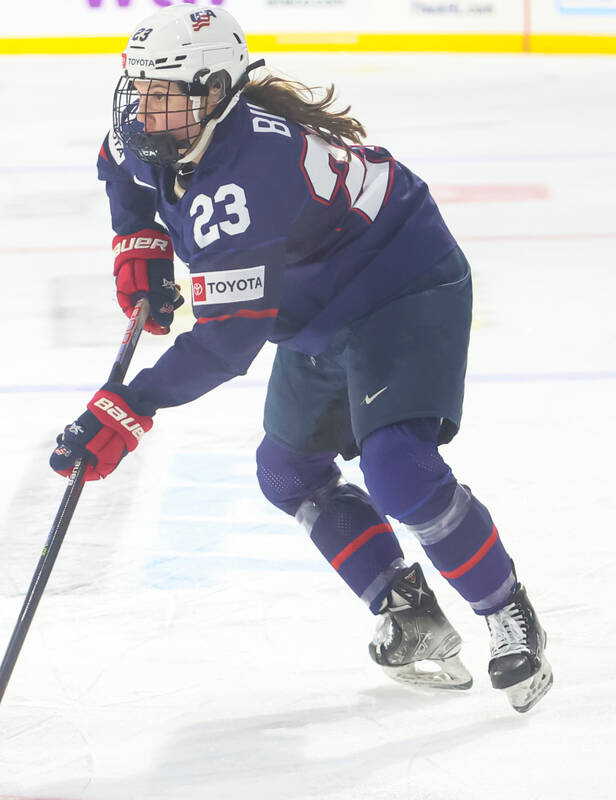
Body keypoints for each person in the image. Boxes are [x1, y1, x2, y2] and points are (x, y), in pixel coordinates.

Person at [48, 5, 552, 713]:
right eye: (140, 89)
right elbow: (117, 160)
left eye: (165, 93)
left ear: (216, 92)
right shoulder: (167, 128)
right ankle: (409, 612)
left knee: (399, 472)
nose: (144, 110)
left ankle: (507, 611)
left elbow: (226, 342)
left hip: (399, 284)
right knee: (287, 472)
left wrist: (133, 406)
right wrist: (137, 241)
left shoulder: (248, 179)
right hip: (315, 305)